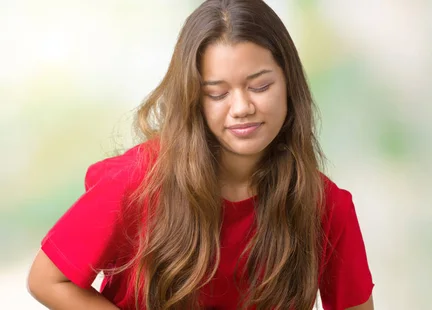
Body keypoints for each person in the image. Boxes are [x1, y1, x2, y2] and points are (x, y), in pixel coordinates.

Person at [26, 1, 374, 309]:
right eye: (217, 93)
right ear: (193, 99)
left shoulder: (326, 206)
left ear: (289, 84)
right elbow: (48, 281)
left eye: (260, 86)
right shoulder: (137, 181)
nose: (242, 107)